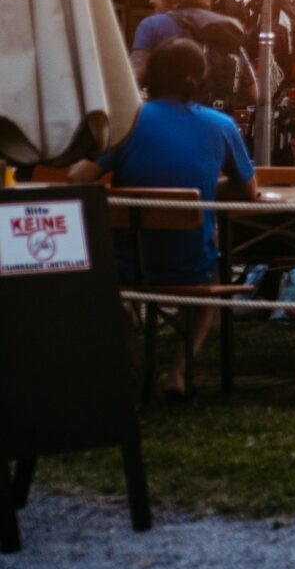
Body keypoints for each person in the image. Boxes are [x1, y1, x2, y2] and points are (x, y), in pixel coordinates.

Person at [67, 39, 254, 398]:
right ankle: (177, 372)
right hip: (190, 264)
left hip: (126, 265)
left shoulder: (128, 121)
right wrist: (201, 187)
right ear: (200, 78)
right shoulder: (221, 126)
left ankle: (136, 364)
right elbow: (250, 192)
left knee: (112, 292)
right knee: (209, 293)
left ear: (150, 75)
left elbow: (77, 178)